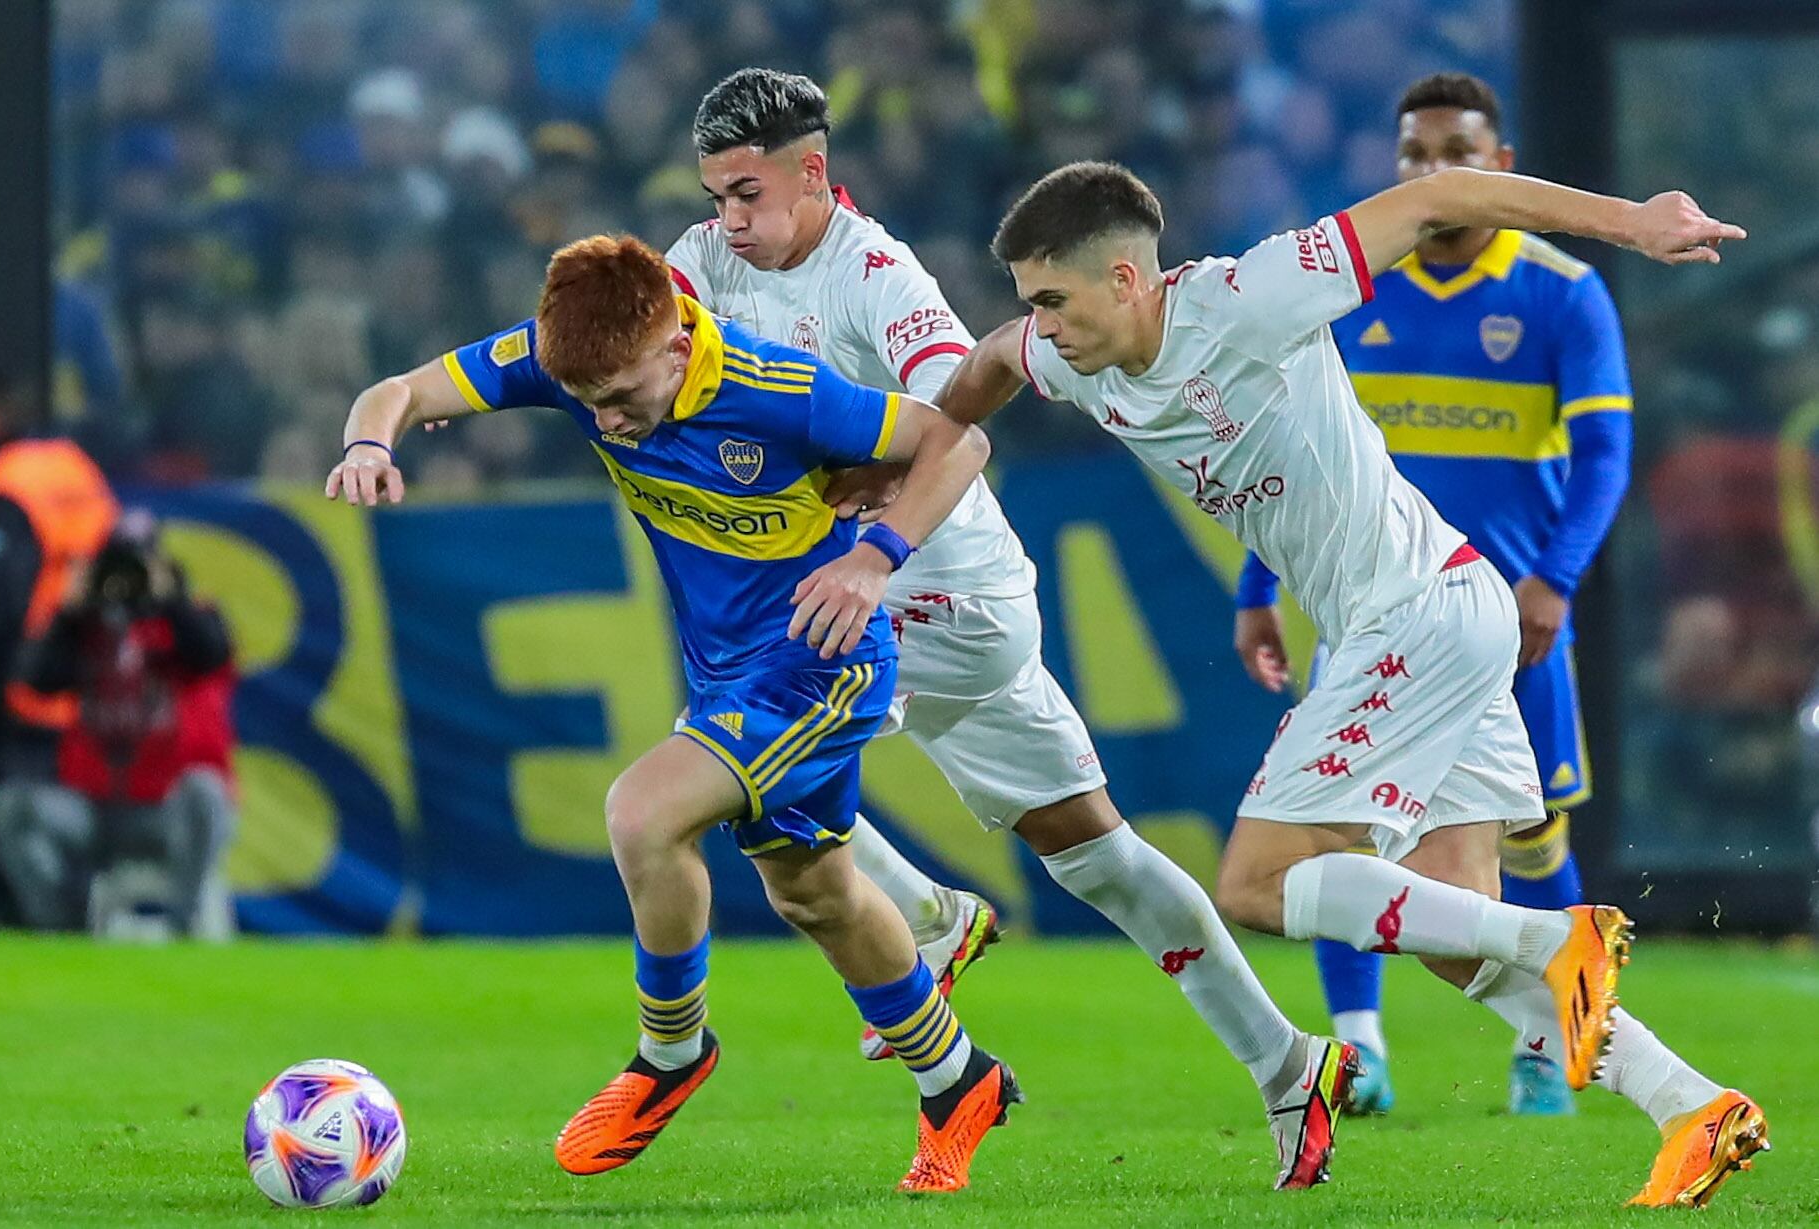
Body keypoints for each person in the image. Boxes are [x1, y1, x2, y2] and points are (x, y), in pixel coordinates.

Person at [931, 158, 1767, 1207]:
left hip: (1410, 614)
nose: (1039, 322)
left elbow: (1434, 196)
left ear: (1125, 278)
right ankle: (1688, 1102)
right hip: (1447, 610)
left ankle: (1555, 934)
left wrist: (1631, 223)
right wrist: (899, 449)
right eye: (1029, 302)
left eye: (1052, 297)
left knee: (1256, 883)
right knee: (1450, 932)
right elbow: (985, 371)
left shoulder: (1248, 296)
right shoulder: (1070, 357)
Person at [666, 81, 1352, 1185]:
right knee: (1099, 853)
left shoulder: (876, 276)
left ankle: (931, 920)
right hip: (871, 600)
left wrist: (873, 537)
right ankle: (1287, 1062)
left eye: (748, 192)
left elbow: (955, 420)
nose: (729, 217)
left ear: (811, 174)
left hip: (937, 592)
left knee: (728, 762)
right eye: (714, 195)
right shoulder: (701, 263)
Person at [327, 234, 1014, 1193]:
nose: (608, 424)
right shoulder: (569, 357)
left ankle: (671, 1051)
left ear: (678, 350)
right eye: (588, 405)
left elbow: (959, 438)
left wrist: (874, 557)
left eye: (621, 400)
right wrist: (370, 441)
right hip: (726, 676)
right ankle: (960, 1080)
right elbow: (396, 390)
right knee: (814, 893)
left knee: (641, 815)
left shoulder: (778, 390)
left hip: (820, 666)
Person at [1234, 73, 1634, 1117]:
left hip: (1509, 616)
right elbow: (1297, 457)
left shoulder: (1558, 291)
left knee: (1529, 835)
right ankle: (1358, 1047)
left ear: (1497, 165)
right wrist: (1256, 586)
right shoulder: (1353, 291)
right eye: (1411, 154)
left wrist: (1555, 578)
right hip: (1367, 613)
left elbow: (1602, 454)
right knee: (1343, 830)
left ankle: (1548, 1050)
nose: (1428, 170)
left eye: (1451, 148)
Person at [0, 511, 238, 939]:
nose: (127, 579)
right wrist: (70, 611)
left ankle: (182, 926)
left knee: (207, 793)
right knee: (12, 807)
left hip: (163, 810)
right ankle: (63, 932)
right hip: (94, 809)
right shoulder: (84, 627)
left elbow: (212, 654)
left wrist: (169, 599)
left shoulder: (190, 619)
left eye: (139, 565)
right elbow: (34, 678)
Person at [0, 376, 118, 924]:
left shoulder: (9, 487)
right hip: (88, 686)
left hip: (23, 688)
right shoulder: (74, 468)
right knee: (66, 835)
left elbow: (3, 604)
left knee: (6, 833)